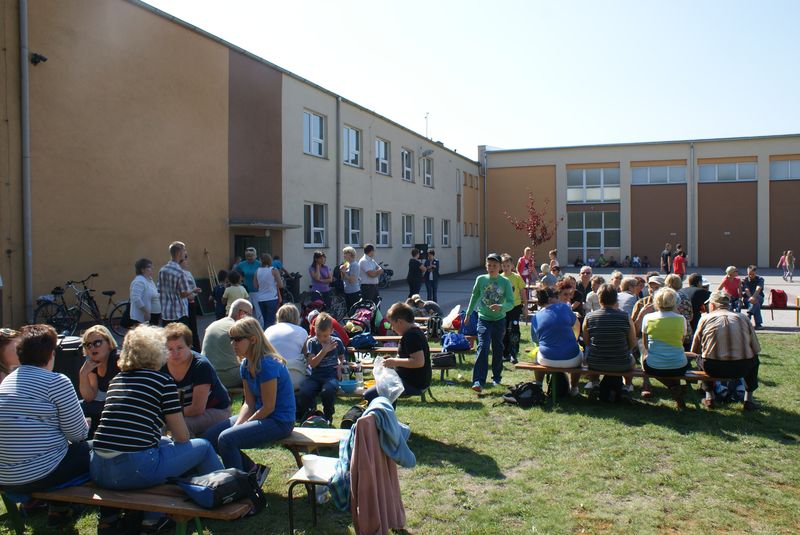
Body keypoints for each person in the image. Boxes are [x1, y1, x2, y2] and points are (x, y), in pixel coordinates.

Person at [91, 326, 224, 533]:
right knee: (203, 446)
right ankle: (223, 496)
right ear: (157, 352)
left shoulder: (116, 381)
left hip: (99, 469)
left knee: (164, 446)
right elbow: (182, 436)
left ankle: (151, 517)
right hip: (133, 469)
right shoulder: (162, 381)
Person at [0, 325, 89, 529]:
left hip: (5, 476)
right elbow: (78, 434)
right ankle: (70, 508)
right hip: (38, 474)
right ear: (51, 354)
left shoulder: (6, 382)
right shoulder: (56, 382)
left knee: (61, 451)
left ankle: (59, 509)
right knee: (92, 451)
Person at [204, 317, 295, 473]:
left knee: (226, 439)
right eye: (231, 339)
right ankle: (253, 471)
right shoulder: (245, 365)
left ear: (253, 339)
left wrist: (243, 425)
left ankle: (238, 484)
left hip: (280, 421)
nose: (233, 344)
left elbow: (268, 407)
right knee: (209, 437)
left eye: (237, 339)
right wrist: (239, 425)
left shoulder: (267, 364)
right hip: (263, 415)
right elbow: (249, 403)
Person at [692, 290, 762, 411]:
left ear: (712, 305)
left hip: (713, 368)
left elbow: (695, 349)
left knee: (700, 357)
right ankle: (748, 400)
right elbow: (756, 348)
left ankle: (709, 397)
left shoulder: (705, 319)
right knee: (754, 359)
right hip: (742, 368)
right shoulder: (743, 318)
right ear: (728, 304)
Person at [163, 323, 232, 437]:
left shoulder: (200, 366)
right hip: (179, 412)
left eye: (180, 348)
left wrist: (169, 416)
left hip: (216, 410)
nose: (175, 353)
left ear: (189, 346)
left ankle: (193, 448)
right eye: (170, 349)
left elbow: (197, 409)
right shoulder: (162, 366)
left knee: (181, 425)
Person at [466, 253, 515, 392]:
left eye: (494, 265)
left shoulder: (505, 282)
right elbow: (474, 295)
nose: (491, 268)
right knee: (483, 346)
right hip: (483, 319)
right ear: (486, 266)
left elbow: (511, 303)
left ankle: (496, 377)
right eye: (489, 265)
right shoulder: (481, 279)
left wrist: (501, 307)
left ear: (500, 267)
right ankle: (478, 381)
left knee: (498, 348)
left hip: (499, 320)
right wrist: (468, 313)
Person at [364, 302, 431, 402]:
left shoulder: (411, 336)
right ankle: (388, 410)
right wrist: (393, 361)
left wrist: (395, 362)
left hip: (413, 384)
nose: (392, 328)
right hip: (411, 380)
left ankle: (384, 411)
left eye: (392, 324)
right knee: (381, 388)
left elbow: (418, 362)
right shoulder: (414, 332)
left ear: (400, 322)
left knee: (369, 395)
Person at [641, 287, 690, 408]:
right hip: (679, 365)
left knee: (644, 357)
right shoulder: (681, 319)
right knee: (673, 359)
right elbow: (681, 342)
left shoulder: (648, 318)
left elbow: (645, 345)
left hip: (654, 366)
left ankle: (673, 387)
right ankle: (675, 388)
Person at [583, 284, 637, 393]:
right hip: (621, 363)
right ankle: (627, 386)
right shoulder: (625, 316)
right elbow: (632, 343)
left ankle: (595, 383)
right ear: (616, 299)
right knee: (632, 359)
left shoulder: (589, 317)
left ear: (599, 299)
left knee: (590, 355)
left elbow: (586, 342)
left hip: (595, 363)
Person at [530, 287, 583, 396]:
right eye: (556, 297)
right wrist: (575, 339)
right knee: (580, 353)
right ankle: (574, 388)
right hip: (572, 359)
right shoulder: (564, 307)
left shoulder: (536, 317)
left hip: (547, 359)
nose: (558, 299)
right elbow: (577, 326)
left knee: (537, 354)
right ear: (550, 299)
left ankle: (538, 386)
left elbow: (536, 340)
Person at [295, 313, 346, 423]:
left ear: (332, 331)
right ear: (314, 330)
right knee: (304, 391)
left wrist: (340, 366)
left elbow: (342, 356)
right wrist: (324, 351)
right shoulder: (312, 343)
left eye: (325, 336)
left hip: (331, 376)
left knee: (328, 391)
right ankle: (309, 415)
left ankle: (328, 417)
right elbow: (312, 364)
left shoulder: (336, 342)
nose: (322, 338)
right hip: (315, 376)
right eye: (319, 335)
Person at [78, 325, 121, 438]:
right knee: (76, 407)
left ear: (109, 343)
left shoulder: (119, 360)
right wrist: (83, 374)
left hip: (120, 408)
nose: (92, 348)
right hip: (106, 406)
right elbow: (89, 397)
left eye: (97, 343)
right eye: (88, 345)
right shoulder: (93, 363)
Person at [201, 298, 253, 389]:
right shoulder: (237, 329)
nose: (251, 319)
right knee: (261, 368)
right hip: (226, 377)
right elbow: (252, 355)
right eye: (250, 315)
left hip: (207, 375)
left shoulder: (213, 325)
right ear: (241, 313)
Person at [632, 274, 666, 397]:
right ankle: (646, 383)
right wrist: (642, 314)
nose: (653, 290)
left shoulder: (668, 303)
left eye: (657, 287)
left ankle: (673, 383)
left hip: (664, 336)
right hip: (643, 336)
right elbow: (634, 329)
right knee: (644, 347)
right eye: (651, 287)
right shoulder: (641, 303)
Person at [265, 303, 310, 391]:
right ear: (296, 317)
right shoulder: (302, 331)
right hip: (295, 378)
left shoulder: (268, 330)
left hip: (269, 379)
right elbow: (306, 356)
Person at [157, 241, 193, 327]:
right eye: (184, 250)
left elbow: (159, 290)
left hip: (166, 313)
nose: (185, 253)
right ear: (179, 253)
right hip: (179, 314)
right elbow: (183, 294)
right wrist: (193, 290)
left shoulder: (162, 270)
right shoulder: (180, 272)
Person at [501, 253, 528, 364]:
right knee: (503, 330)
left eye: (508, 265)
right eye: (503, 266)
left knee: (514, 330)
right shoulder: (499, 278)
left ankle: (513, 353)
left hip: (515, 308)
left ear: (512, 266)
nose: (506, 268)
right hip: (503, 309)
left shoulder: (516, 277)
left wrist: (525, 306)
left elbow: (523, 292)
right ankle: (504, 354)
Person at [179, 255, 202, 351]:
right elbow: (180, 292)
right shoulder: (178, 274)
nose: (187, 262)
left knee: (194, 329)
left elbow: (194, 287)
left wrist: (195, 292)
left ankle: (197, 351)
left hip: (191, 303)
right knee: (185, 329)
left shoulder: (188, 273)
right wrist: (189, 295)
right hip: (183, 305)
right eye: (185, 260)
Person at [254, 253, 283, 329]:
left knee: (265, 320)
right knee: (271, 321)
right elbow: (281, 285)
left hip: (261, 299)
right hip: (272, 298)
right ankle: (268, 334)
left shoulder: (257, 271)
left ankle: (264, 333)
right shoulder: (274, 270)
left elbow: (255, 286)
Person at [130, 258, 161, 326]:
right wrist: (146, 312)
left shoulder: (149, 279)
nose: (152, 268)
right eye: (149, 267)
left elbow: (153, 294)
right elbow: (136, 298)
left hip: (154, 315)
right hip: (144, 317)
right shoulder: (139, 281)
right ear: (142, 270)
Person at [742, 265, 765, 330]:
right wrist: (750, 297)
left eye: (753, 274)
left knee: (756, 300)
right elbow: (746, 289)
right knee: (756, 303)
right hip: (748, 298)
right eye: (749, 274)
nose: (751, 276)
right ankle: (758, 324)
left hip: (759, 297)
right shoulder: (745, 279)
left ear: (755, 273)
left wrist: (753, 297)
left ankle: (748, 315)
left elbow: (758, 289)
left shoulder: (760, 279)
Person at [340, 246, 362, 311]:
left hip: (354, 292)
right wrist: (342, 271)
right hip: (347, 291)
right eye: (344, 253)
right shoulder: (347, 264)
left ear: (350, 254)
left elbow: (351, 280)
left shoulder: (354, 265)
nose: (344, 255)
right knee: (349, 311)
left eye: (345, 253)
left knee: (354, 312)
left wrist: (344, 272)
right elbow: (342, 278)